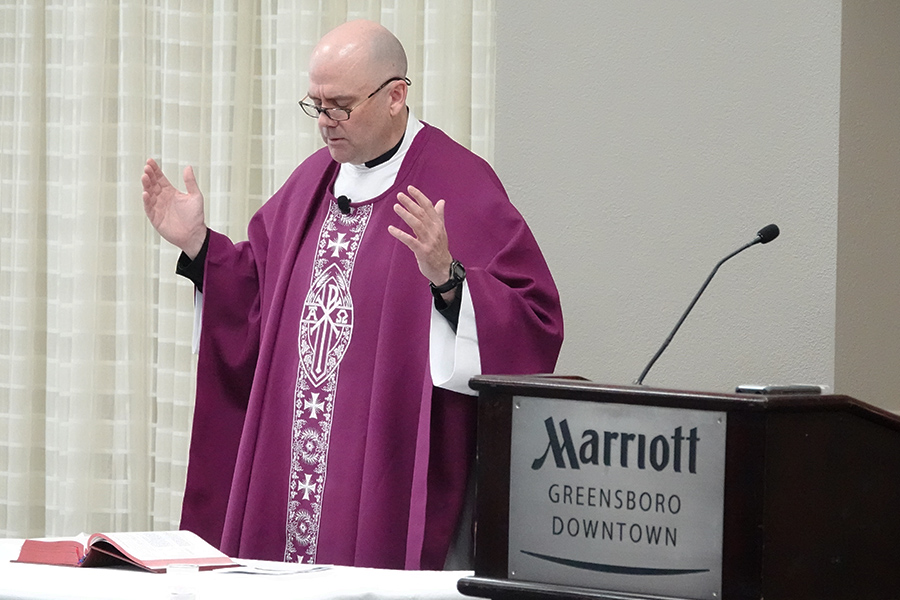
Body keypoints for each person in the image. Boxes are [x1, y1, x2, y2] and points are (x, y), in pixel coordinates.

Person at [141, 19, 563, 570]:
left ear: (395, 96)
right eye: (315, 105)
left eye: (339, 106)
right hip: (291, 461)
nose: (324, 123)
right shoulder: (312, 182)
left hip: (384, 466)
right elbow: (256, 303)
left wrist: (449, 278)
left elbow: (533, 320)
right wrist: (199, 247)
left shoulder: (459, 182)